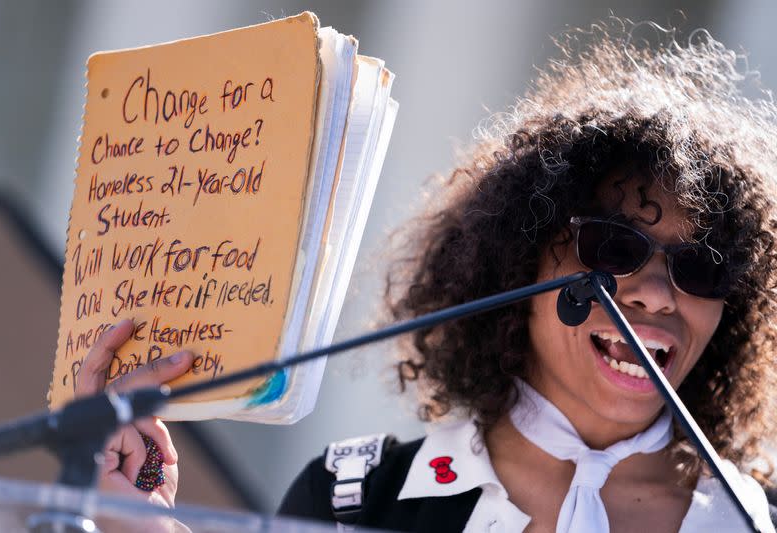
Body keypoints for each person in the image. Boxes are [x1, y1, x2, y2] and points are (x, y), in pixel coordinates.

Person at [77, 20, 777, 532]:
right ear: (520, 258)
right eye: (611, 245)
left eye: (700, 267)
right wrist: (143, 522)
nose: (655, 292)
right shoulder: (355, 500)